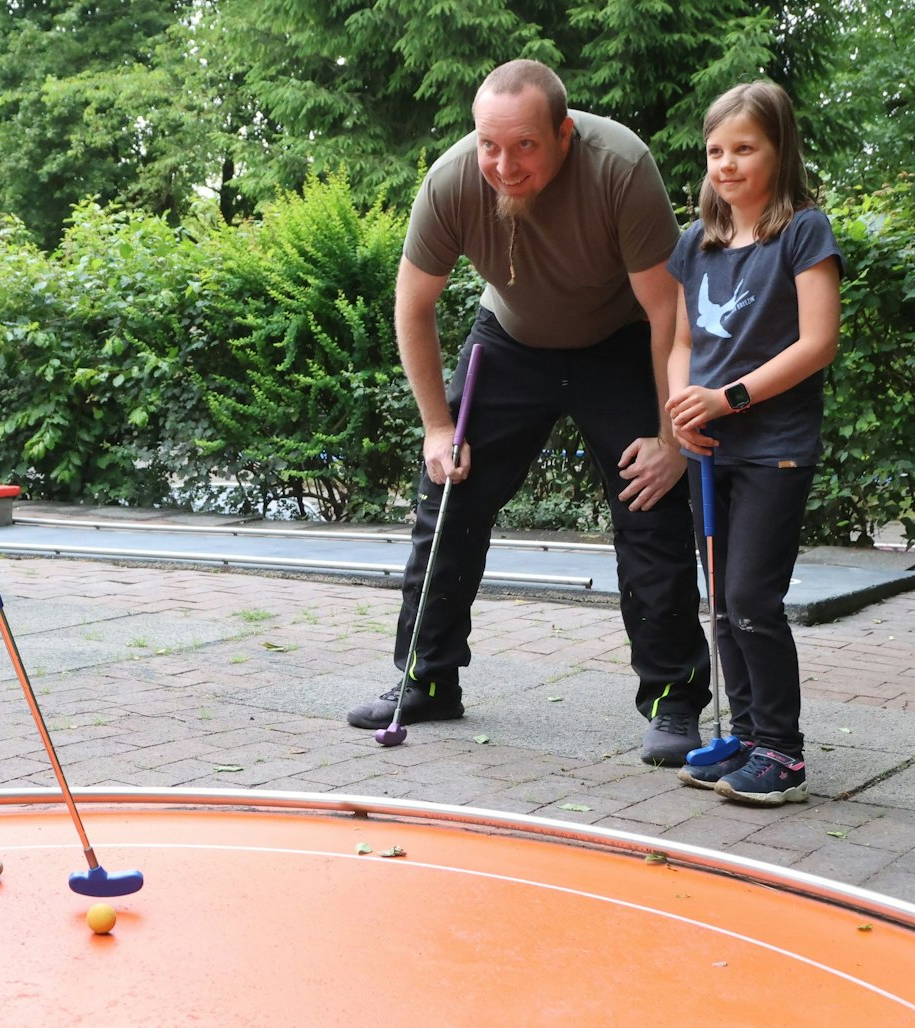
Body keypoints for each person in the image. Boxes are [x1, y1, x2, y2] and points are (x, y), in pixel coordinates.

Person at [344, 59, 714, 766]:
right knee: (448, 493)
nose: (503, 166)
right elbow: (412, 307)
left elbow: (667, 309)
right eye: (489, 144)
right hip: (508, 342)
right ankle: (425, 678)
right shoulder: (452, 180)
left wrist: (670, 438)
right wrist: (437, 428)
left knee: (649, 502)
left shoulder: (620, 166)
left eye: (524, 146)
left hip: (618, 342)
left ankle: (672, 698)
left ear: (564, 134)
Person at [665, 81, 841, 806]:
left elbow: (817, 342)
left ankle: (783, 753)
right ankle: (743, 734)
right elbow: (680, 340)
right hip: (709, 447)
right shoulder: (695, 244)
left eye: (744, 148)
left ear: (778, 150)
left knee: (749, 598)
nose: (726, 164)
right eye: (715, 151)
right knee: (720, 602)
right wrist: (683, 409)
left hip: (774, 444)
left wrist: (728, 397)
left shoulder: (802, 231)